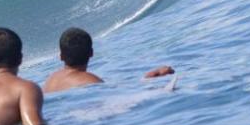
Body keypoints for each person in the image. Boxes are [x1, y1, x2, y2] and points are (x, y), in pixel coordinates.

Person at [43, 27, 174, 93]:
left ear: (60, 56)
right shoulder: (90, 81)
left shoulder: (50, 82)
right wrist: (150, 81)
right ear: (91, 53)